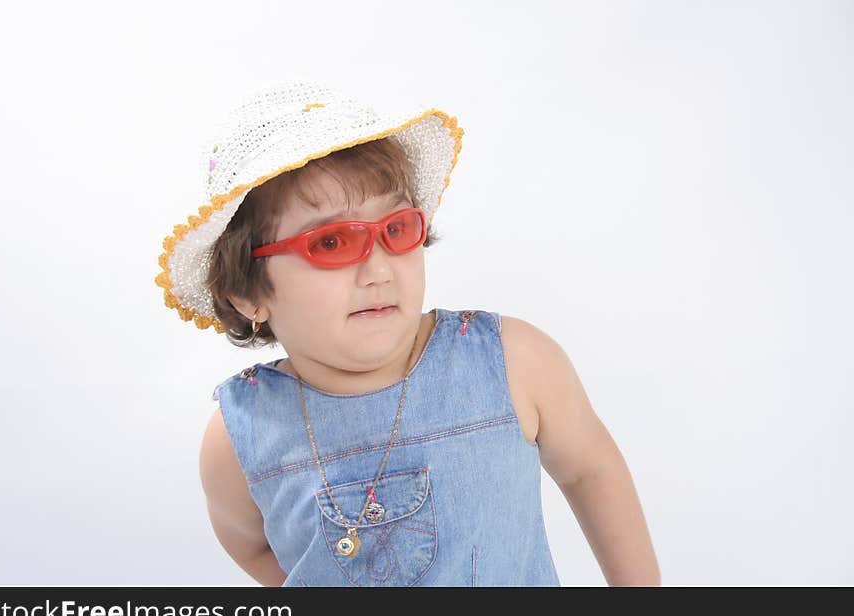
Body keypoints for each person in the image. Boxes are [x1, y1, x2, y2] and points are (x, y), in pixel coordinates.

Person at [155, 79, 660, 586]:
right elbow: (251, 544)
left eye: (395, 231)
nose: (379, 270)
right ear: (248, 294)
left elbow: (590, 470)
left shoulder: (513, 365)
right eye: (331, 242)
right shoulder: (240, 436)